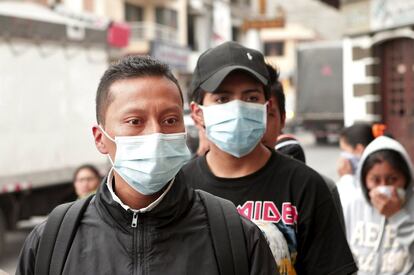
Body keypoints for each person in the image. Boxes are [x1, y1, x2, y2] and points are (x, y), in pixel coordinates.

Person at [16, 56, 277, 274]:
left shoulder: (234, 234)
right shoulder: (53, 240)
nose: (156, 134)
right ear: (100, 139)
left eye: (170, 120)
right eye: (135, 121)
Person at [183, 41, 357, 274]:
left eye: (251, 98)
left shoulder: (306, 186)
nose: (238, 108)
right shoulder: (181, 187)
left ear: (266, 108)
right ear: (197, 113)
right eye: (223, 99)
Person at [262, 64, 346, 232]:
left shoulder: (316, 189)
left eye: (267, 114)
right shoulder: (197, 187)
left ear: (282, 119)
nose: (259, 125)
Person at [343, 135, 414, 274]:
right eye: (375, 180)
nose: (384, 187)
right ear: (364, 181)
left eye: (392, 179)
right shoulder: (352, 205)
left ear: (406, 179)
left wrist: (397, 216)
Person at [337, 123, 375, 208]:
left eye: (344, 150)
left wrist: (346, 178)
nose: (342, 155)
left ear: (359, 149)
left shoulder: (370, 177)